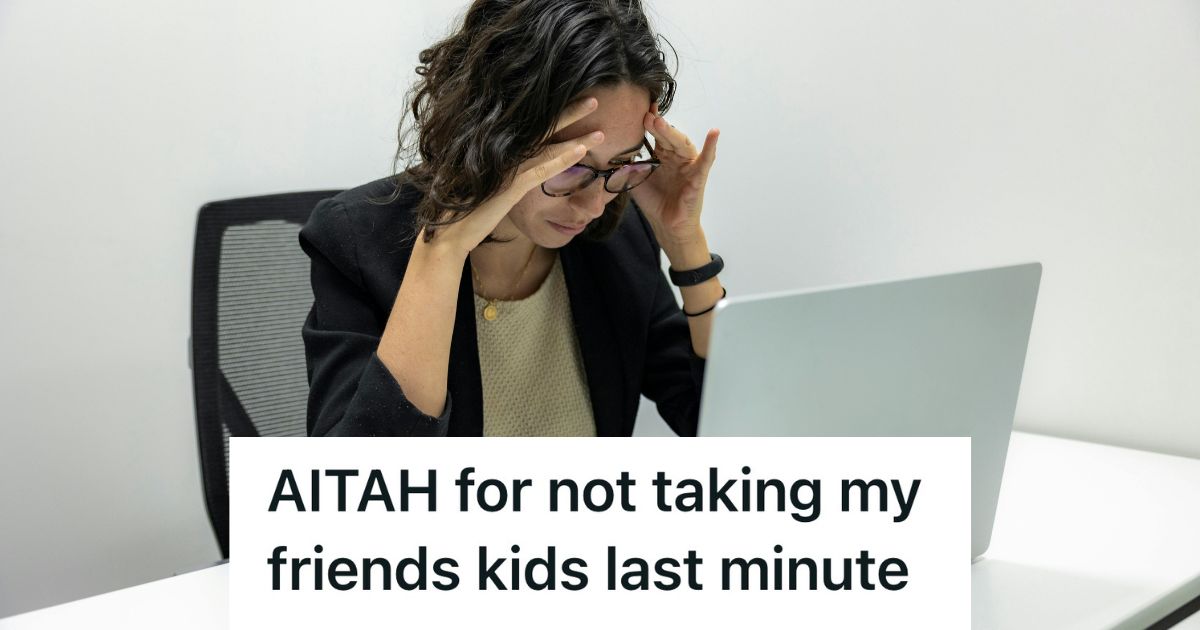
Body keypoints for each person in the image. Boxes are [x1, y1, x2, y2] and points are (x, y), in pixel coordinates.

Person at [299, 0, 724, 437]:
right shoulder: (357, 241)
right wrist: (442, 252)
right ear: (491, 130)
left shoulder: (616, 234)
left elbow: (731, 434)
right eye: (569, 165)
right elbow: (353, 494)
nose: (593, 205)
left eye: (621, 163)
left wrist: (684, 241)